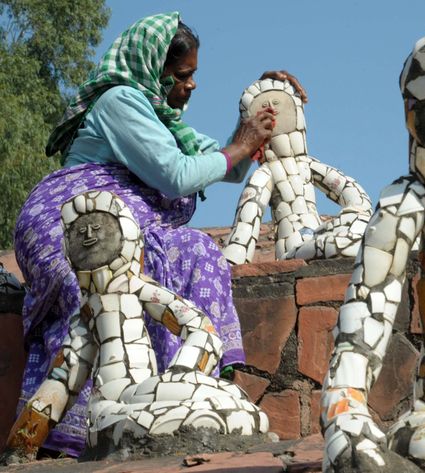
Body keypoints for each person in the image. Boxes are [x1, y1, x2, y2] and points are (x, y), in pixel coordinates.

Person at [12, 11, 305, 457]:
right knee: (87, 307)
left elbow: (230, 161)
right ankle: (67, 437)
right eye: (182, 75)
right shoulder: (120, 102)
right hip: (76, 226)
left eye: (193, 76)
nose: (191, 85)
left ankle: (187, 397)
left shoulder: (165, 123)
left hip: (133, 238)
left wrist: (262, 106)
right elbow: (177, 174)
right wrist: (241, 144)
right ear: (154, 69)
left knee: (195, 251)